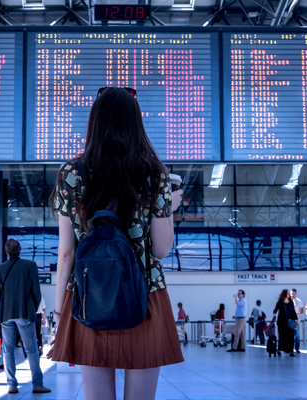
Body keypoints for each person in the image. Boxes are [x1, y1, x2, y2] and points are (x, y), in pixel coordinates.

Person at [47, 87, 184, 400]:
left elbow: (67, 252)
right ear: (135, 122)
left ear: (94, 121)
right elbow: (161, 250)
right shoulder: (154, 174)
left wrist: (58, 311)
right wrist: (167, 209)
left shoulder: (72, 173)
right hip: (145, 296)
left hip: (88, 296)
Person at [0, 238, 50, 394]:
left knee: (7, 350)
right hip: (25, 312)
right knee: (31, 350)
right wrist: (33, 308)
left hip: (5, 315)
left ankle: (12, 385)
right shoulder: (30, 266)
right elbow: (37, 292)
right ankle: (37, 384)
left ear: (6, 252)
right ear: (21, 249)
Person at [273, 289, 298, 357]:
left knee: (290, 337)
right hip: (282, 322)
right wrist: (274, 314)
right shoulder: (280, 302)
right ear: (284, 294)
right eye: (287, 293)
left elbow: (293, 311)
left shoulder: (291, 302)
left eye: (289, 293)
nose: (289, 294)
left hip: (290, 322)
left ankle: (290, 351)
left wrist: (296, 319)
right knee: (282, 336)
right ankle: (279, 349)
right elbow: (275, 310)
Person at [291, 288, 303, 354]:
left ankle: (297, 348)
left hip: (296, 320)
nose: (292, 295)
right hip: (289, 321)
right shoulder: (288, 301)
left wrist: (296, 313)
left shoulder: (299, 301)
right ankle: (290, 348)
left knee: (297, 335)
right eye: (291, 294)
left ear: (296, 293)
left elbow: (302, 311)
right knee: (290, 335)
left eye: (293, 293)